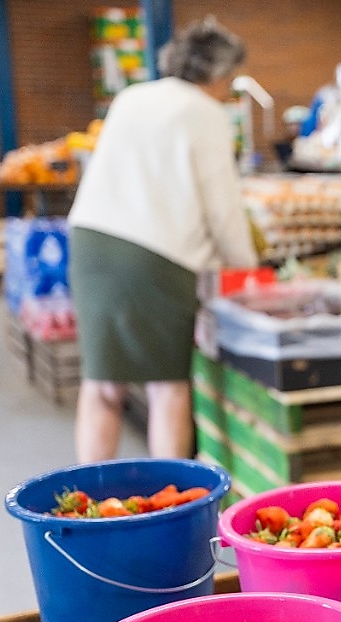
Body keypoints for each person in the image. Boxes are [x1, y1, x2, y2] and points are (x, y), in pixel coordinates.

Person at [67, 17, 257, 463]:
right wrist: (247, 271)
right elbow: (222, 210)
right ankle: (169, 507)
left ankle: (89, 507)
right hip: (155, 257)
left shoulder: (133, 97)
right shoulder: (208, 114)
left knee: (101, 385)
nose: (230, 91)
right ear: (216, 74)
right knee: (168, 385)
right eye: (230, 79)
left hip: (91, 243)